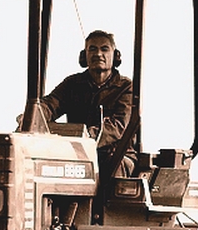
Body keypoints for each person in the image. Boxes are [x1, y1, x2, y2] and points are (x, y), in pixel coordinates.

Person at [36, 30, 136, 177]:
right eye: (92, 49)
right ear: (85, 55)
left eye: (104, 49)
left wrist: (88, 137)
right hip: (77, 154)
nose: (98, 54)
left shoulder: (126, 87)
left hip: (115, 155)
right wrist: (36, 113)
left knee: (113, 168)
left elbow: (119, 125)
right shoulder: (72, 84)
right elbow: (51, 104)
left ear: (115, 55)